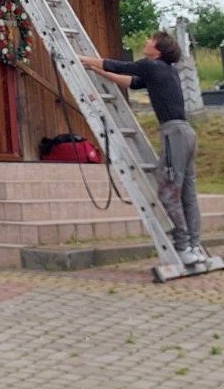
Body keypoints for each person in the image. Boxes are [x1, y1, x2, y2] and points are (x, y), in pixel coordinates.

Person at [79, 30, 204, 264]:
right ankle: (195, 246)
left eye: (150, 40)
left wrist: (83, 59)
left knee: (168, 192)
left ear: (157, 49)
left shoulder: (151, 65)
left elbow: (119, 66)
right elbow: (131, 82)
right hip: (187, 134)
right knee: (188, 194)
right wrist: (98, 71)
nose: (146, 41)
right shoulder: (164, 70)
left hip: (173, 133)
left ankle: (183, 247)